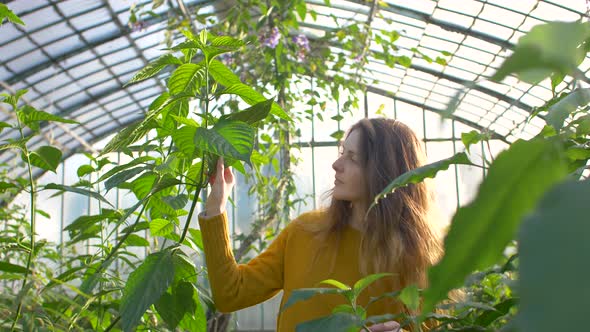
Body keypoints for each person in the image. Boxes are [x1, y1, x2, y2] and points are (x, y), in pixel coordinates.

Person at [198, 118, 444, 331]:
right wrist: (216, 208)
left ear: (383, 172)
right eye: (341, 153)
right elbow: (231, 294)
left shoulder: (416, 258)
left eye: (353, 158)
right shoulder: (304, 232)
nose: (337, 165)